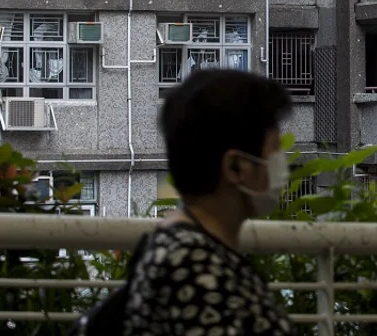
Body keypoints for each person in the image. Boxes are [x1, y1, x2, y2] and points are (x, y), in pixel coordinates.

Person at [123, 69, 296, 335]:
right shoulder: (193, 266)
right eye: (274, 150)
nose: (281, 164)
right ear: (235, 167)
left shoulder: (188, 248)